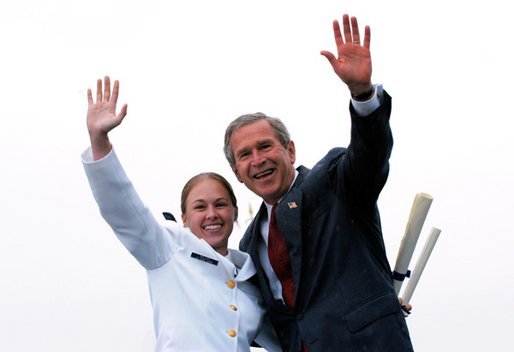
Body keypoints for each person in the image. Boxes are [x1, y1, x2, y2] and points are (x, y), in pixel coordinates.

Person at [223, 14, 414, 352]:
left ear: (290, 150)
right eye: (245, 155)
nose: (258, 160)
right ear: (237, 172)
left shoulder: (333, 181)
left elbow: (370, 155)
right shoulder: (250, 243)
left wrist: (362, 93)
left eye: (265, 146)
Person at [81, 76, 281, 352]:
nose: (212, 214)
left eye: (220, 204)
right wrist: (99, 141)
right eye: (200, 207)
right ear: (184, 219)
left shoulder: (251, 277)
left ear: (235, 213)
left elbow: (291, 337)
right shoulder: (169, 250)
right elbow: (122, 209)